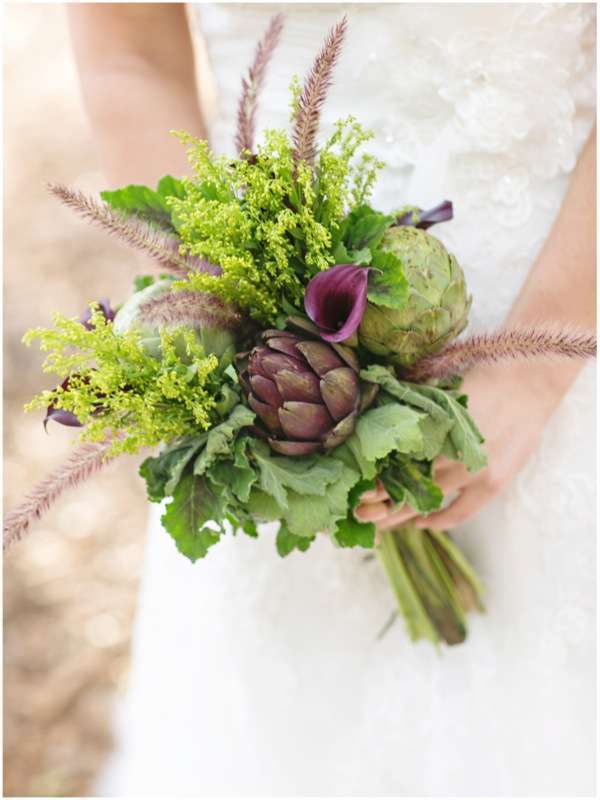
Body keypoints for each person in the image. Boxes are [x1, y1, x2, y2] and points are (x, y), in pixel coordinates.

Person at [69, 3, 596, 795]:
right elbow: (129, 53)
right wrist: (227, 312)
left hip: (560, 304)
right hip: (268, 363)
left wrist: (537, 367)